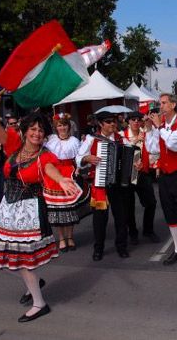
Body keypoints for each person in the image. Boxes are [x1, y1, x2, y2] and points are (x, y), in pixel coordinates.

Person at [0, 91, 79, 323]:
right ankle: (33, 283)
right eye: (33, 129)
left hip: (29, 212)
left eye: (41, 130)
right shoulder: (13, 146)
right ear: (25, 131)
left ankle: (39, 303)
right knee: (4, 258)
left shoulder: (45, 156)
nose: (37, 133)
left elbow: (50, 169)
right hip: (8, 209)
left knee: (23, 260)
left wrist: (61, 179)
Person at [77, 111, 131, 261]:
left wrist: (135, 164)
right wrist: (87, 158)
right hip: (100, 184)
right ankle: (98, 248)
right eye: (108, 121)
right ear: (100, 124)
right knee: (100, 219)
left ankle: (122, 246)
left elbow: (130, 156)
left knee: (121, 217)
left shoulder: (121, 138)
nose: (112, 124)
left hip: (119, 184)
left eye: (113, 121)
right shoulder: (91, 139)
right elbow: (78, 158)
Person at [150, 93, 177, 273]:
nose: (161, 106)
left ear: (174, 104)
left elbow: (174, 145)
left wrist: (159, 127)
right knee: (169, 212)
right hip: (166, 175)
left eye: (164, 103)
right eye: (160, 103)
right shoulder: (161, 126)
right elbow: (154, 148)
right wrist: (151, 131)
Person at [44, 113, 87, 252]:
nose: (62, 127)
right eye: (59, 125)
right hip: (55, 175)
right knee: (57, 209)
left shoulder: (75, 141)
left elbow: (79, 158)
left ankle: (70, 237)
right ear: (56, 127)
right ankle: (61, 238)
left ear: (69, 126)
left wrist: (79, 169)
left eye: (64, 125)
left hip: (70, 173)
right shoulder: (50, 140)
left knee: (70, 208)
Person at [121, 111, 161, 244]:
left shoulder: (146, 134)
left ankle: (148, 230)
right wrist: (134, 142)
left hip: (143, 173)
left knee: (151, 203)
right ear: (128, 122)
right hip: (128, 175)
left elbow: (155, 151)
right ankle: (132, 232)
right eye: (133, 120)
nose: (136, 122)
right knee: (128, 205)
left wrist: (149, 162)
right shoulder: (122, 135)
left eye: (138, 120)